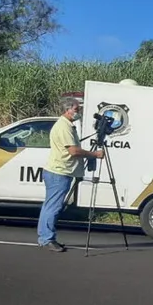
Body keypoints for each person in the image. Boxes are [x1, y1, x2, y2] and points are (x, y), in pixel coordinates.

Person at [37, 97, 104, 252]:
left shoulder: (68, 125)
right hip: (58, 172)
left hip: (61, 171)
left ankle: (45, 237)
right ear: (67, 109)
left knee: (50, 205)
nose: (78, 112)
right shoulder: (63, 127)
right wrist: (94, 154)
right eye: (76, 109)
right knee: (53, 207)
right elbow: (73, 151)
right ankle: (46, 238)